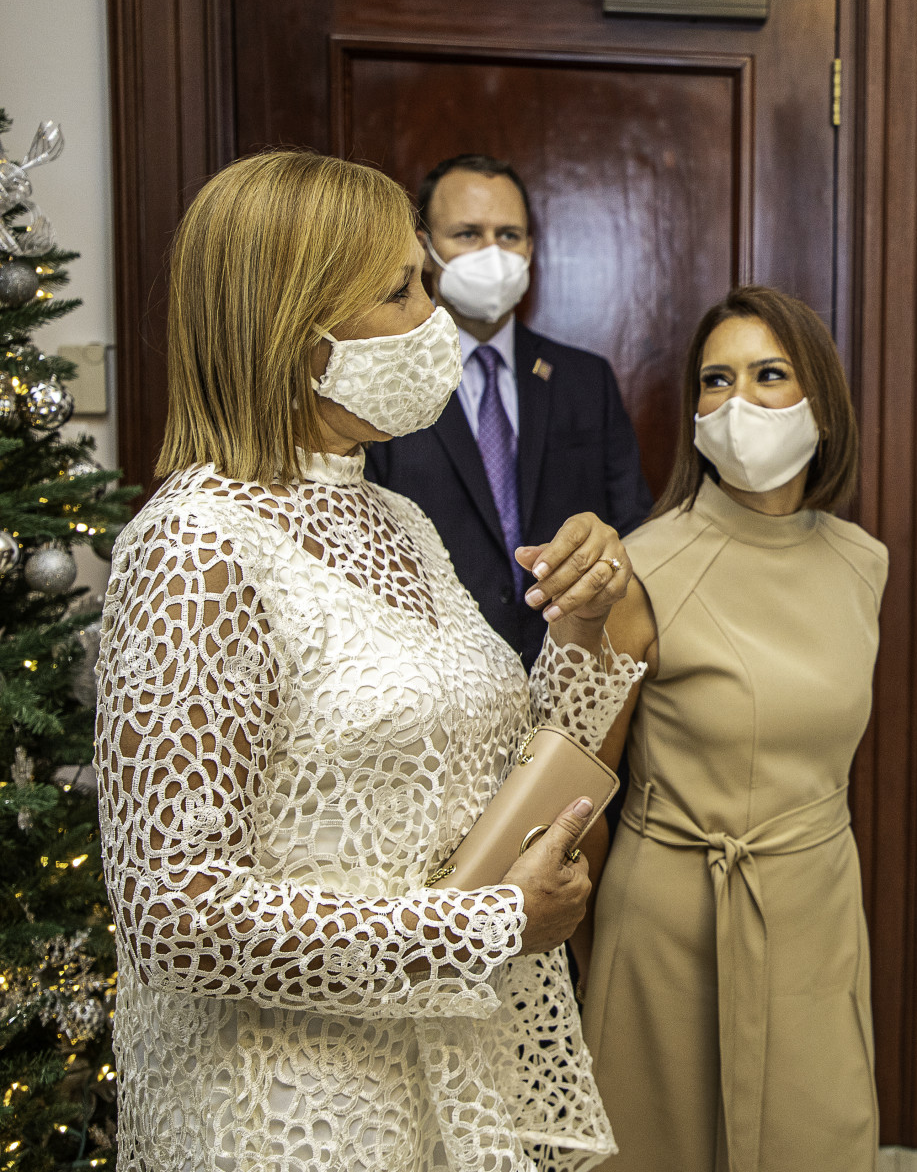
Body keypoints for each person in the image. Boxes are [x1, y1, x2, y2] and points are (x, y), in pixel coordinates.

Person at [95, 150, 644, 1172]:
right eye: (403, 291)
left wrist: (581, 627)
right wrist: (487, 926)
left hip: (449, 1078)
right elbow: (173, 911)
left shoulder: (396, 518)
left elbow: (493, 766)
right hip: (290, 1112)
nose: (437, 319)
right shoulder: (193, 546)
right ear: (295, 331)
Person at [576, 285, 886, 1172]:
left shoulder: (863, 563)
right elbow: (579, 796)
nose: (737, 401)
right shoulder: (642, 570)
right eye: (716, 381)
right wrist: (595, 955)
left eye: (768, 375)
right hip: (669, 931)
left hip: (817, 915)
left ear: (819, 399)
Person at [365, 153, 650, 669]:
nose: (491, 253)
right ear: (425, 250)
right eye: (468, 234)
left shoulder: (586, 380)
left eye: (509, 235)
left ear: (530, 250)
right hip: (432, 677)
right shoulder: (383, 382)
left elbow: (633, 529)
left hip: (570, 672)